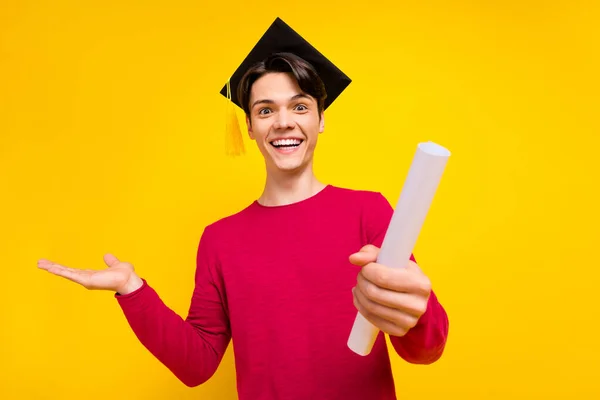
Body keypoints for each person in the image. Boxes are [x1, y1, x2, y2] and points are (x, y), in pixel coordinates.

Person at [38, 17, 449, 400]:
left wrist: (417, 309)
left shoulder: (369, 211)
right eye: (266, 110)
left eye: (300, 106)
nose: (284, 122)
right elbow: (197, 364)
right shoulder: (220, 239)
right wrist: (132, 290)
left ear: (321, 119)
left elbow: (425, 350)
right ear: (250, 126)